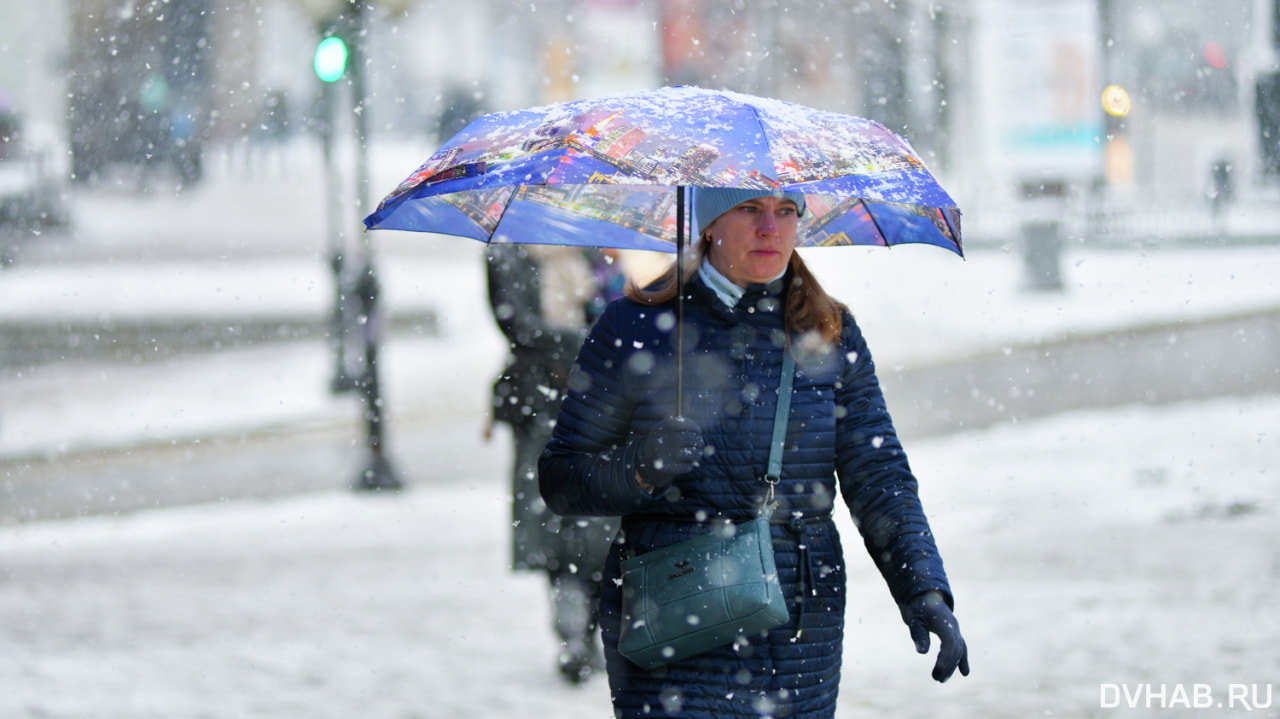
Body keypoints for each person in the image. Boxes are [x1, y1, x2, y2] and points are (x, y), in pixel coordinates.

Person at [538, 188, 969, 717]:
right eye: (750, 208)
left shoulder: (829, 329)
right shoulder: (634, 326)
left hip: (800, 625)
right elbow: (561, 478)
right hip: (673, 612)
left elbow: (878, 474)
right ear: (709, 222)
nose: (772, 228)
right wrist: (641, 465)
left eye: (786, 211)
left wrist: (921, 585)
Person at [485, 242, 621, 684]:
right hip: (539, 402)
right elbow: (515, 324)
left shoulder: (587, 251)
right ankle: (569, 635)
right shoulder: (505, 255)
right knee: (550, 526)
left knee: (601, 525)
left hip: (594, 402)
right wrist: (579, 343)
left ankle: (590, 630)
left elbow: (610, 313)